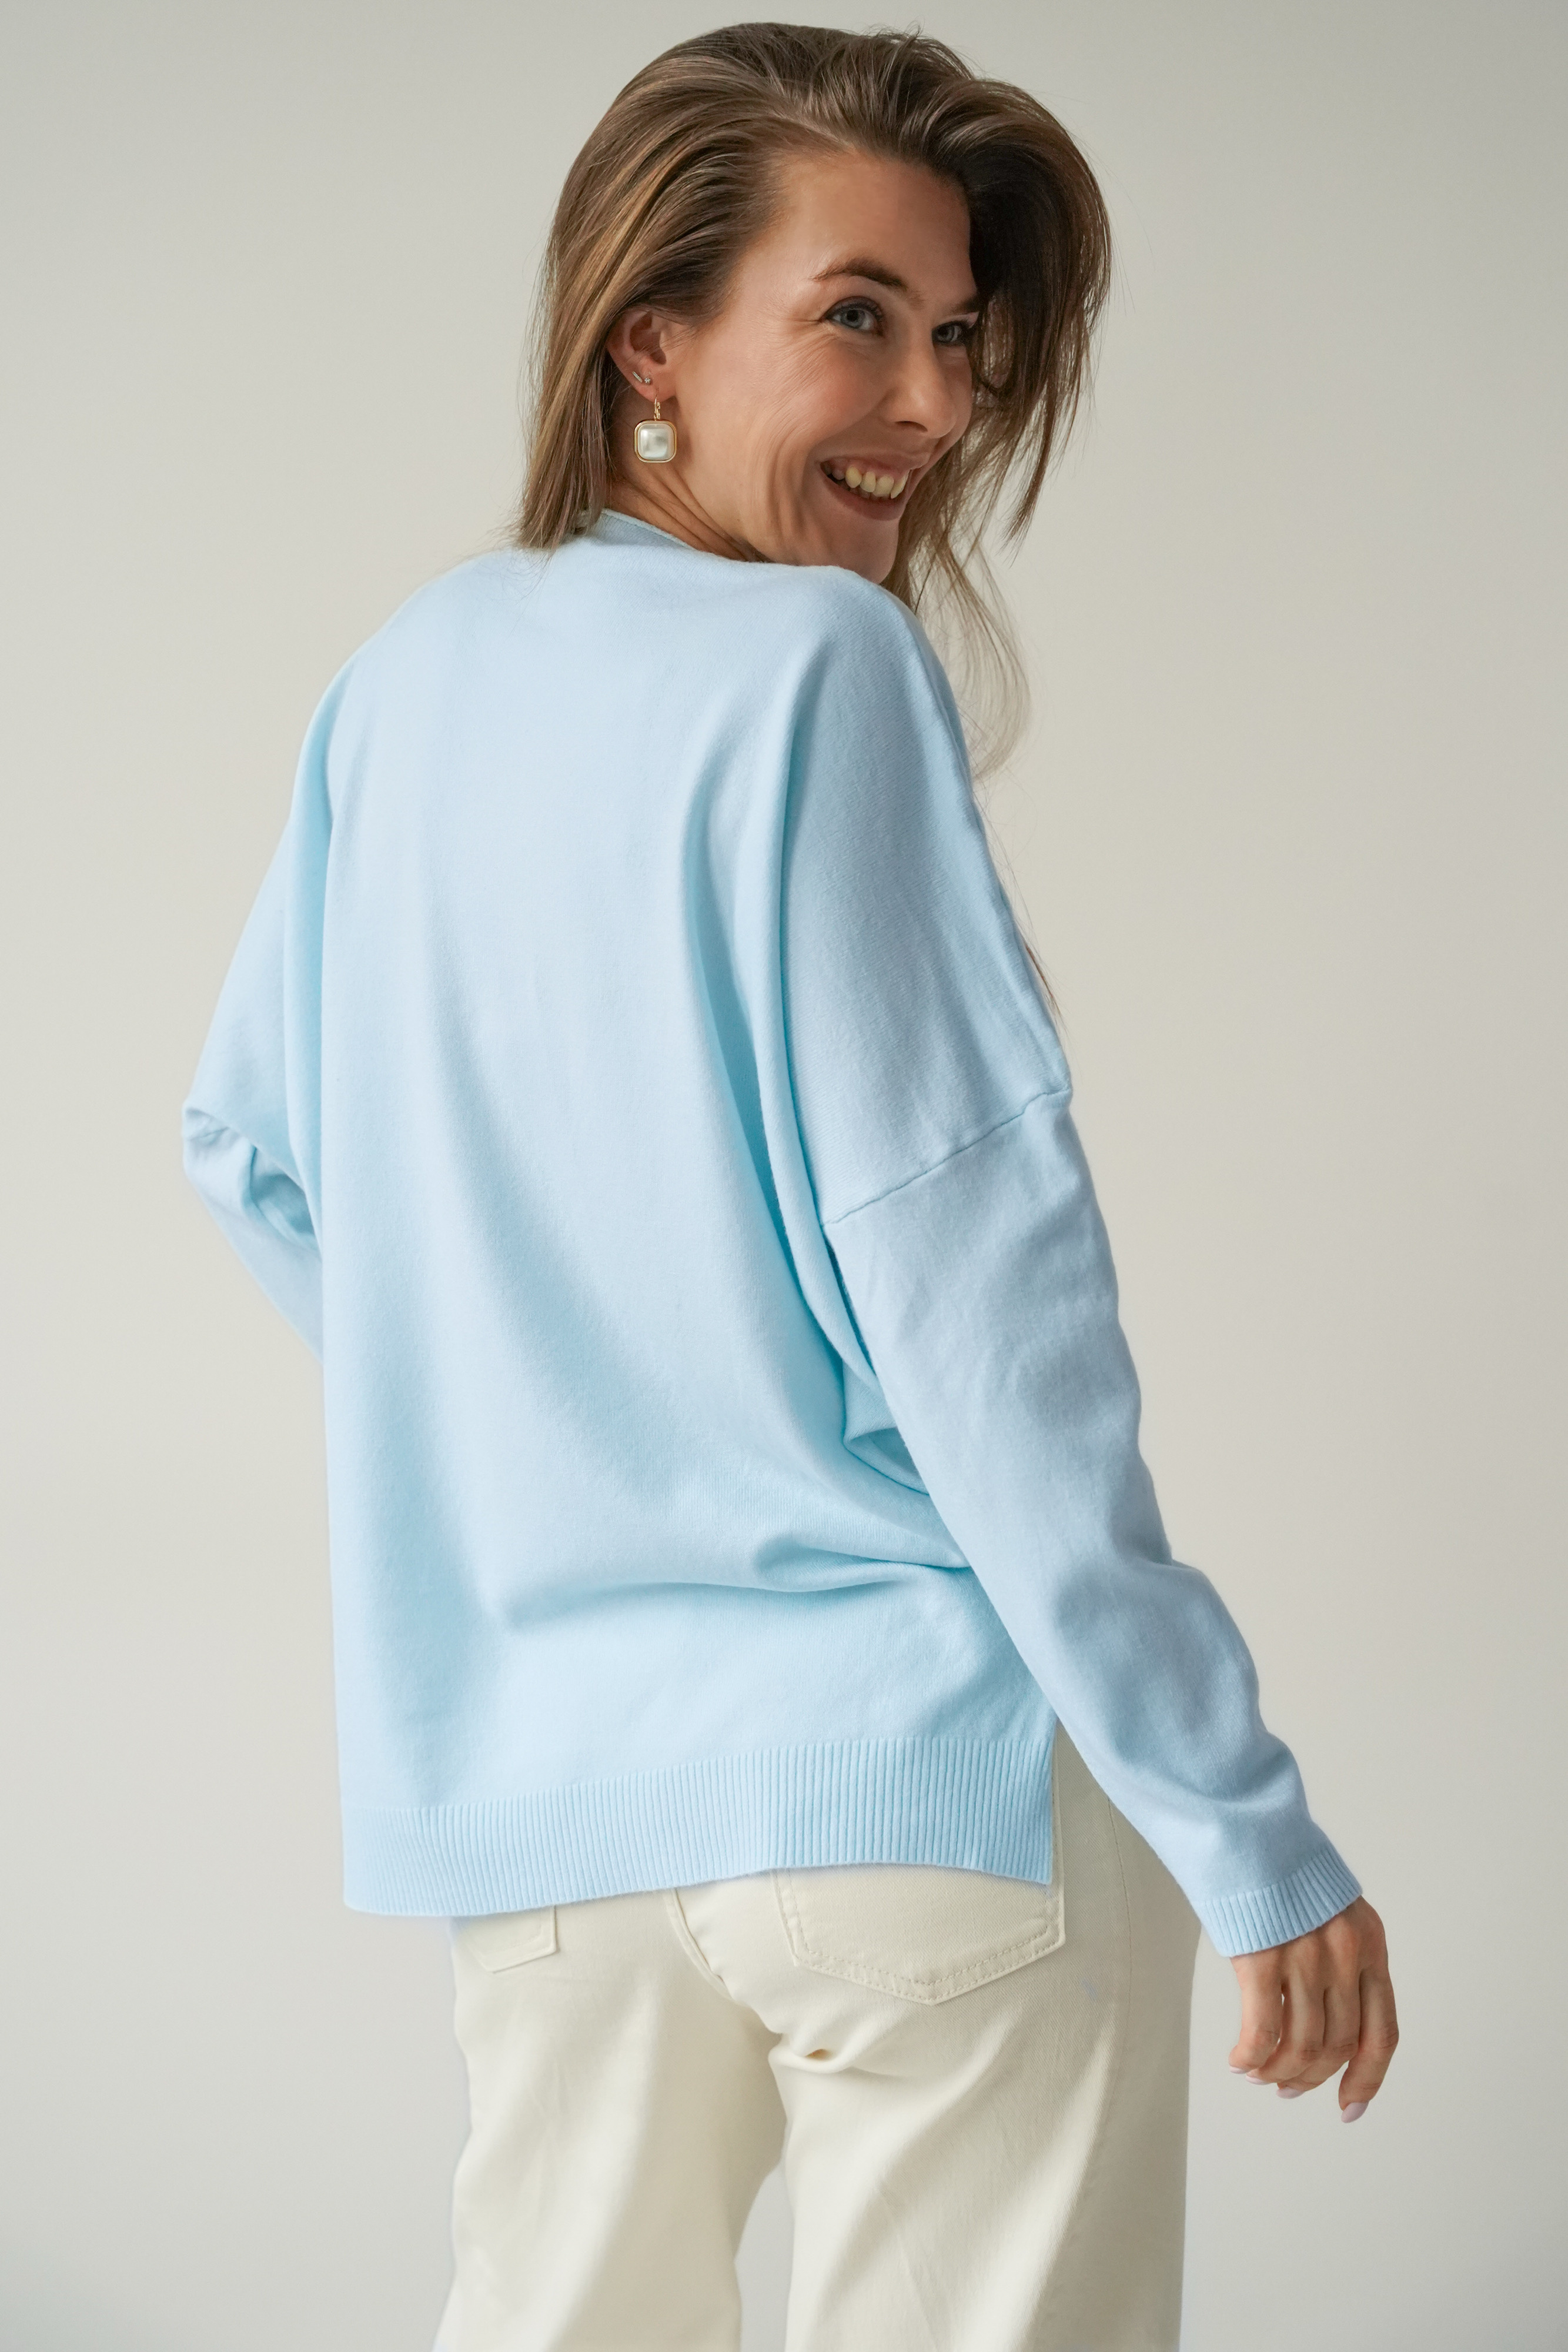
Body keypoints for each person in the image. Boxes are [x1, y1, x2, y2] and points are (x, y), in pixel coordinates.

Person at [182, 24, 1398, 2352]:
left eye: (958, 336)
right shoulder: (822, 665)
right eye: (857, 316)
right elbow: (978, 1288)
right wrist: (1241, 1819)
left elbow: (251, 1154)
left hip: (547, 1808)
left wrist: (550, 1425)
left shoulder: (407, 677)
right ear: (649, 336)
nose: (929, 403)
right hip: (917, 1782)